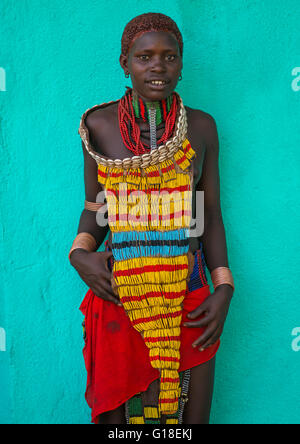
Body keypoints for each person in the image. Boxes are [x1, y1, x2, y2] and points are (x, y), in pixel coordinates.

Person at [69, 12, 234, 425]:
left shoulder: (201, 128)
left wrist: (224, 288)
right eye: (144, 57)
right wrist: (79, 255)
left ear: (181, 64)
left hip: (190, 291)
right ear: (125, 62)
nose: (158, 66)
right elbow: (95, 210)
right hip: (118, 289)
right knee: (120, 423)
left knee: (188, 423)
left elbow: (209, 214)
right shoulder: (99, 125)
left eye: (169, 56)